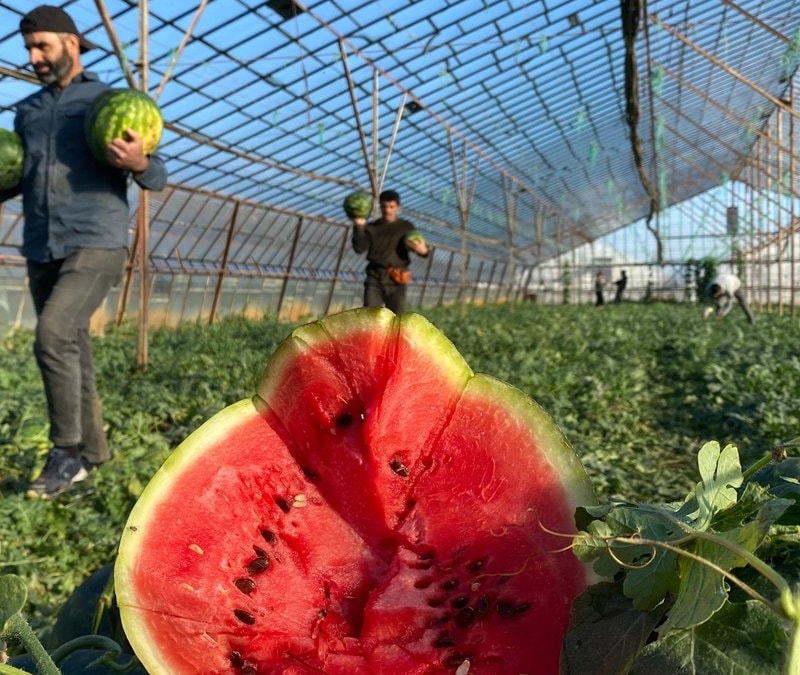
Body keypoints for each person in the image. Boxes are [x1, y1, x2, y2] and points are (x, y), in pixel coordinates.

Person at [0, 6, 168, 498]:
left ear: (71, 44)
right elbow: (19, 179)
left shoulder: (108, 101)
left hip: (96, 239)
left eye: (42, 46)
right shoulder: (26, 111)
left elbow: (155, 175)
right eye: (28, 48)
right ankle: (95, 455)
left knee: (53, 335)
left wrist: (140, 161)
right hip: (41, 242)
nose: (33, 57)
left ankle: (65, 452)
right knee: (74, 345)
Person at [350, 189, 429, 313]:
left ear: (398, 207)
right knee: (370, 315)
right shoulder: (372, 227)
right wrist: (359, 227)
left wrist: (423, 250)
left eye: (391, 207)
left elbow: (419, 246)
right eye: (384, 206)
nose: (387, 210)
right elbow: (359, 248)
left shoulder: (406, 227)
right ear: (380, 206)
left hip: (397, 278)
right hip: (375, 276)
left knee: (396, 318)